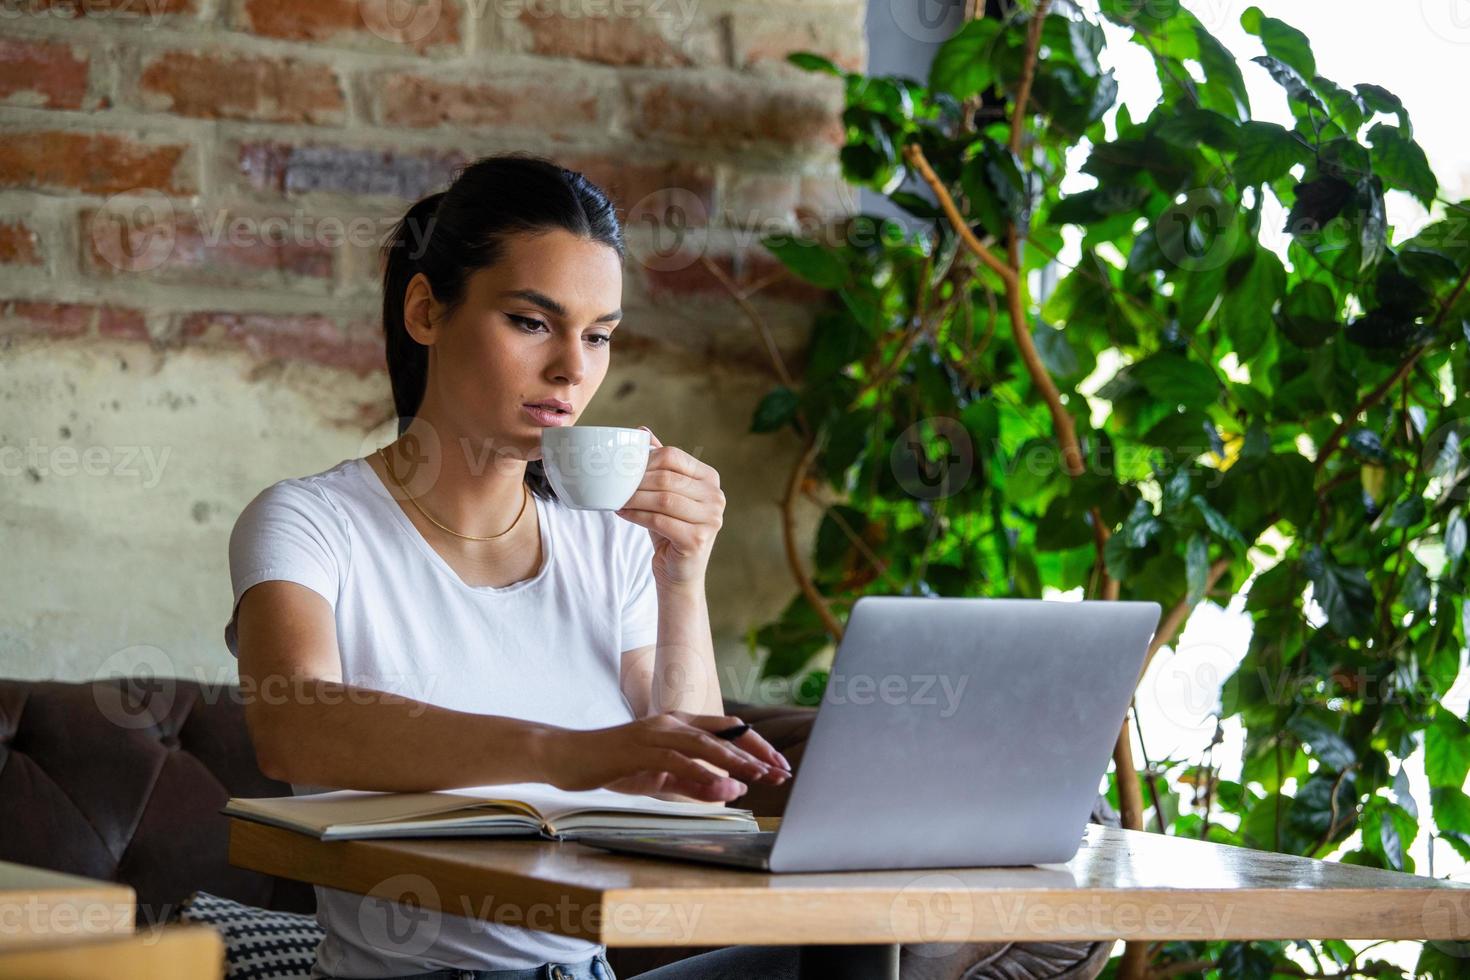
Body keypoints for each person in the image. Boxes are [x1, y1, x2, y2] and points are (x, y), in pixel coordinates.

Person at [225, 154, 803, 980]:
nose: (573, 368)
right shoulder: (312, 523)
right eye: (533, 322)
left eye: (598, 335)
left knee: (849, 959)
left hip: (588, 972)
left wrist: (681, 575)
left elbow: (689, 797)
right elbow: (296, 727)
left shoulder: (610, 543)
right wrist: (568, 752)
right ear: (426, 311)